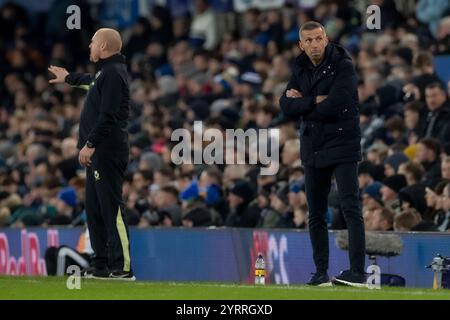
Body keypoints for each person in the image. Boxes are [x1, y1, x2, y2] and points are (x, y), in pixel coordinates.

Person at [279, 21, 365, 287]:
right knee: (315, 212)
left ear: (326, 39)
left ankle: (358, 273)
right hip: (313, 145)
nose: (315, 44)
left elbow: (336, 104)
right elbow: (285, 106)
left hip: (343, 142)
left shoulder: (343, 64)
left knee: (351, 207)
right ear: (301, 44)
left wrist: (303, 103)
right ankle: (320, 273)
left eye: (319, 39)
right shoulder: (300, 66)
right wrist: (314, 100)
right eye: (310, 40)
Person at [48, 28, 134, 280]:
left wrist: (90, 144)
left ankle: (123, 267)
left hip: (107, 150)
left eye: (94, 42)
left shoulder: (113, 74)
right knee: (95, 209)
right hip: (99, 152)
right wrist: (68, 78)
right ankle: (101, 265)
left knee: (111, 207)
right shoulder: (105, 74)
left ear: (104, 47)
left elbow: (108, 114)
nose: (89, 46)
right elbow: (89, 81)